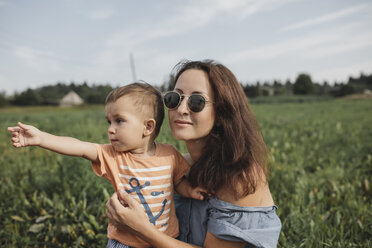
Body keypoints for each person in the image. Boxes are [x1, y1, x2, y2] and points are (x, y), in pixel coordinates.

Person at [8, 82, 208, 248]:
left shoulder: (169, 155)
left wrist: (189, 190)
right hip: (125, 242)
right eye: (109, 122)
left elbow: (178, 181)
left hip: (165, 239)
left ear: (148, 127)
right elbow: (80, 147)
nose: (111, 130)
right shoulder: (113, 156)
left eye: (119, 121)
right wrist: (42, 138)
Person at [105, 60, 282, 248]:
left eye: (196, 102)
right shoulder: (181, 166)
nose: (181, 109)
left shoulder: (241, 175)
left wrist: (141, 228)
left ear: (222, 114)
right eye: (174, 98)